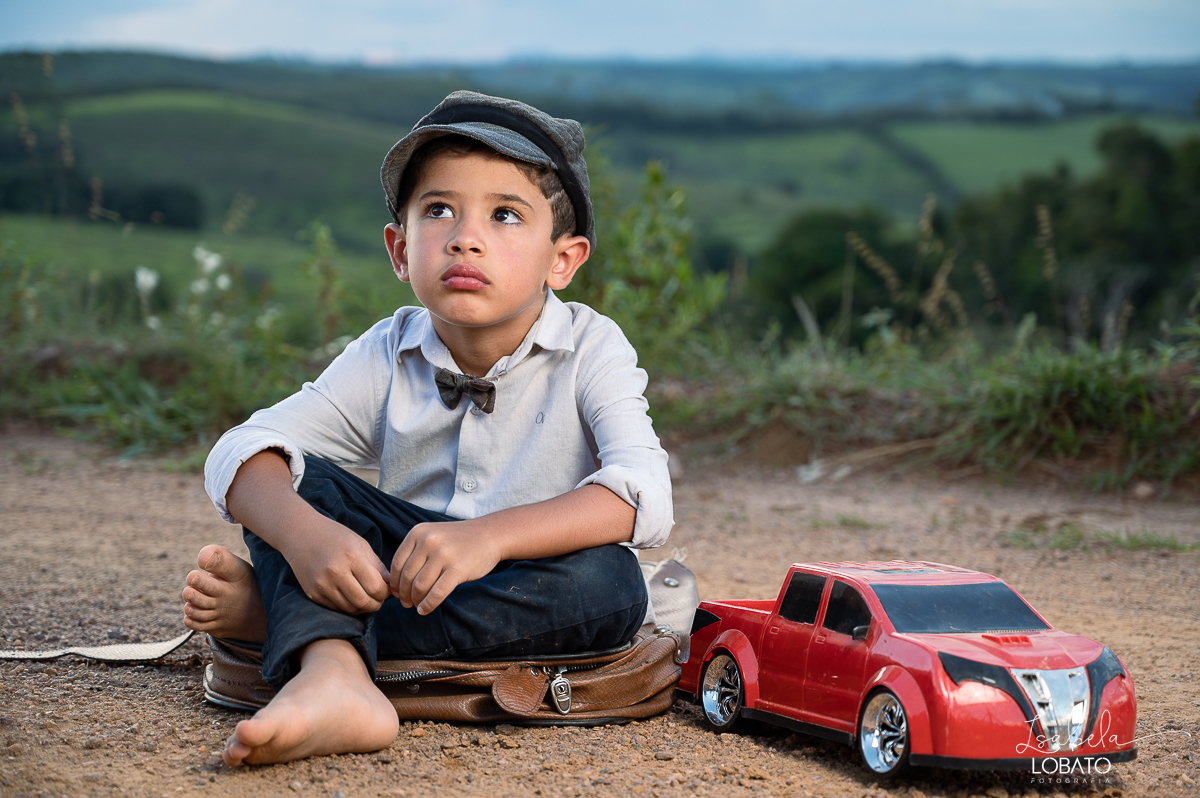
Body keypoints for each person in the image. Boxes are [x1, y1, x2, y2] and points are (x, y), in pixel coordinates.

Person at [181, 91, 674, 766]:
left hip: (526, 583)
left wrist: (488, 538)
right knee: (298, 479)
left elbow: (644, 492)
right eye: (438, 210)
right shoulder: (387, 349)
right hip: (396, 572)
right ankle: (336, 678)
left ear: (563, 260)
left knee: (614, 586)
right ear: (400, 248)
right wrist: (304, 538)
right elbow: (240, 451)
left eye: (505, 215)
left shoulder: (593, 348)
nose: (464, 236)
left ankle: (282, 619)